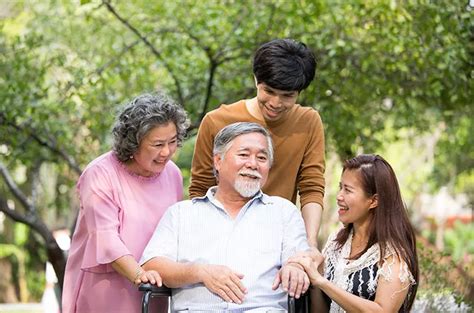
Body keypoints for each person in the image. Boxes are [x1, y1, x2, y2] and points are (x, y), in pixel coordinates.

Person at [140, 122, 313, 312]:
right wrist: (200, 271)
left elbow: (300, 259)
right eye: (244, 155)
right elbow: (151, 265)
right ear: (218, 161)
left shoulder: (283, 212)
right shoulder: (181, 213)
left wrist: (296, 267)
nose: (253, 164)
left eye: (262, 158)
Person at [190, 38, 325, 248]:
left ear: (299, 92)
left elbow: (311, 187)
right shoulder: (216, 121)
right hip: (221, 238)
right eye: (268, 91)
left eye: (287, 96)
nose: (275, 103)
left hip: (277, 238)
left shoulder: (308, 122)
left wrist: (309, 244)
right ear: (256, 80)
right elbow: (200, 188)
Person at [62, 93, 189, 313]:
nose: (167, 152)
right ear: (133, 143)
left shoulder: (173, 175)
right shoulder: (99, 173)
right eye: (158, 144)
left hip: (153, 287)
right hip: (106, 288)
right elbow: (105, 238)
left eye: (173, 141)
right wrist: (139, 274)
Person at [288, 154, 419, 312]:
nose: (339, 196)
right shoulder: (336, 242)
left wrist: (322, 282)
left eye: (348, 190)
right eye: (340, 187)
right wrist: (316, 272)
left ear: (374, 201)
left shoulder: (393, 256)